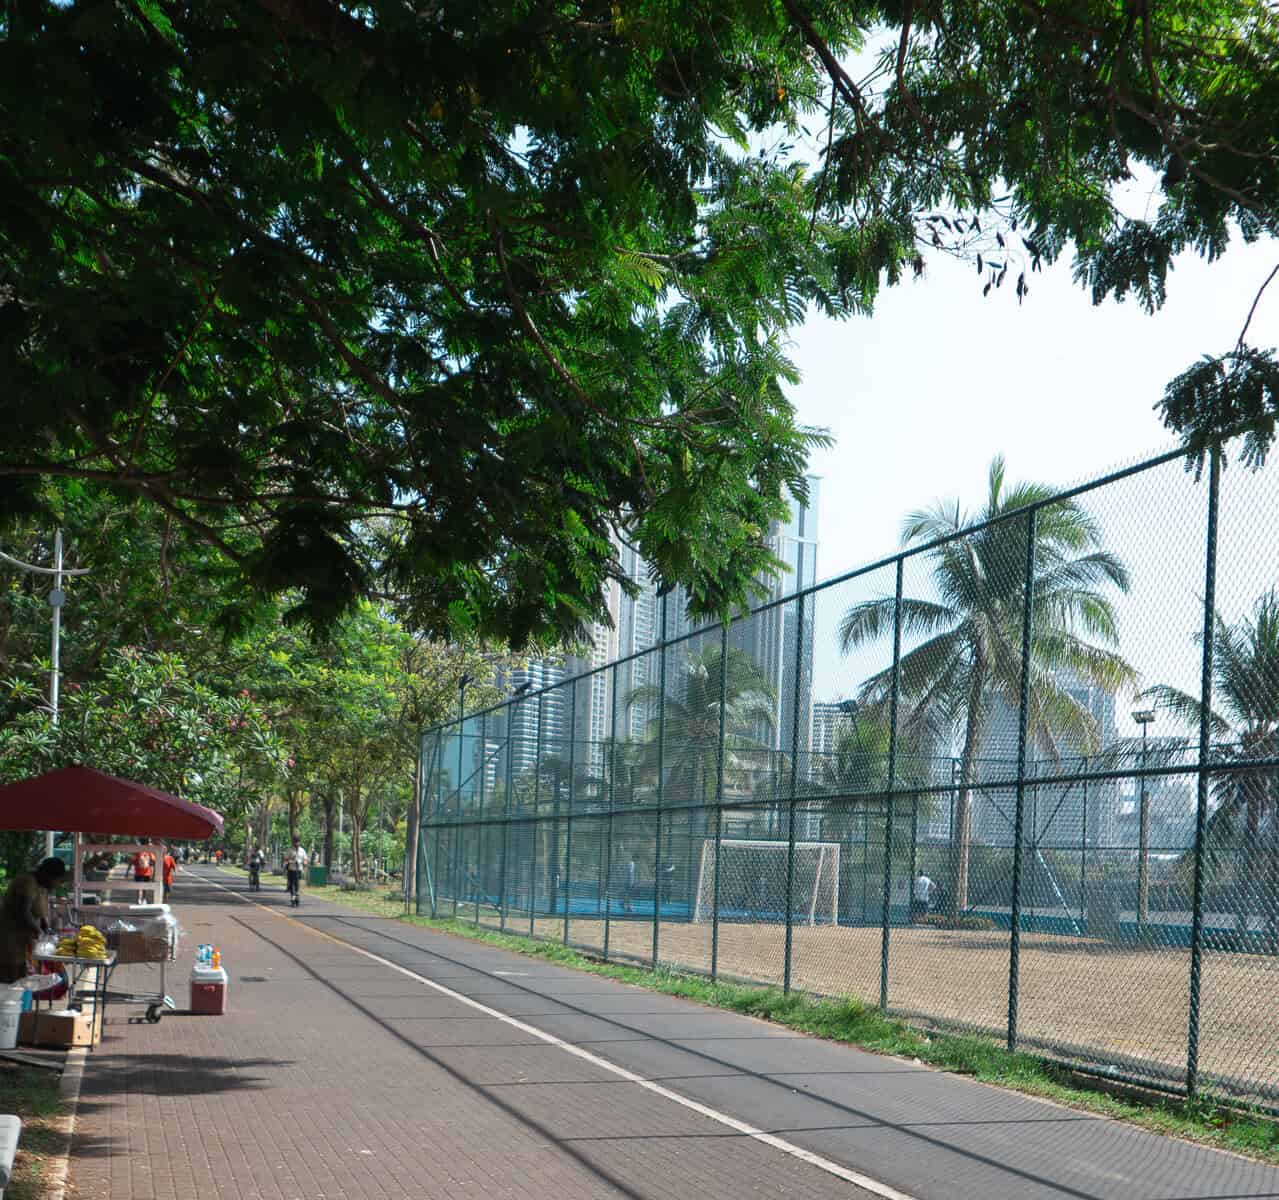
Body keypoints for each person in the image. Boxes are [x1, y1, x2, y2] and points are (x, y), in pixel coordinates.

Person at [0, 857, 68, 983]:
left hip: (23, 944)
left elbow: (39, 912)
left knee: (22, 982)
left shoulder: (41, 886)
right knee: (11, 984)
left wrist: (46, 927)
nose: (56, 884)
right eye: (56, 880)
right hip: (10, 944)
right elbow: (23, 912)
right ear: (46, 874)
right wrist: (40, 933)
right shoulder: (27, 882)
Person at [285, 838, 308, 907]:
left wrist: (304, 863)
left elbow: (305, 860)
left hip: (299, 870)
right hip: (291, 869)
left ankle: (297, 895)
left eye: (297, 842)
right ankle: (292, 897)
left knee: (297, 883)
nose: (296, 844)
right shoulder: (290, 850)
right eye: (295, 842)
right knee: (291, 884)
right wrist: (290, 861)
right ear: (293, 843)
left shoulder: (302, 850)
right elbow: (286, 859)